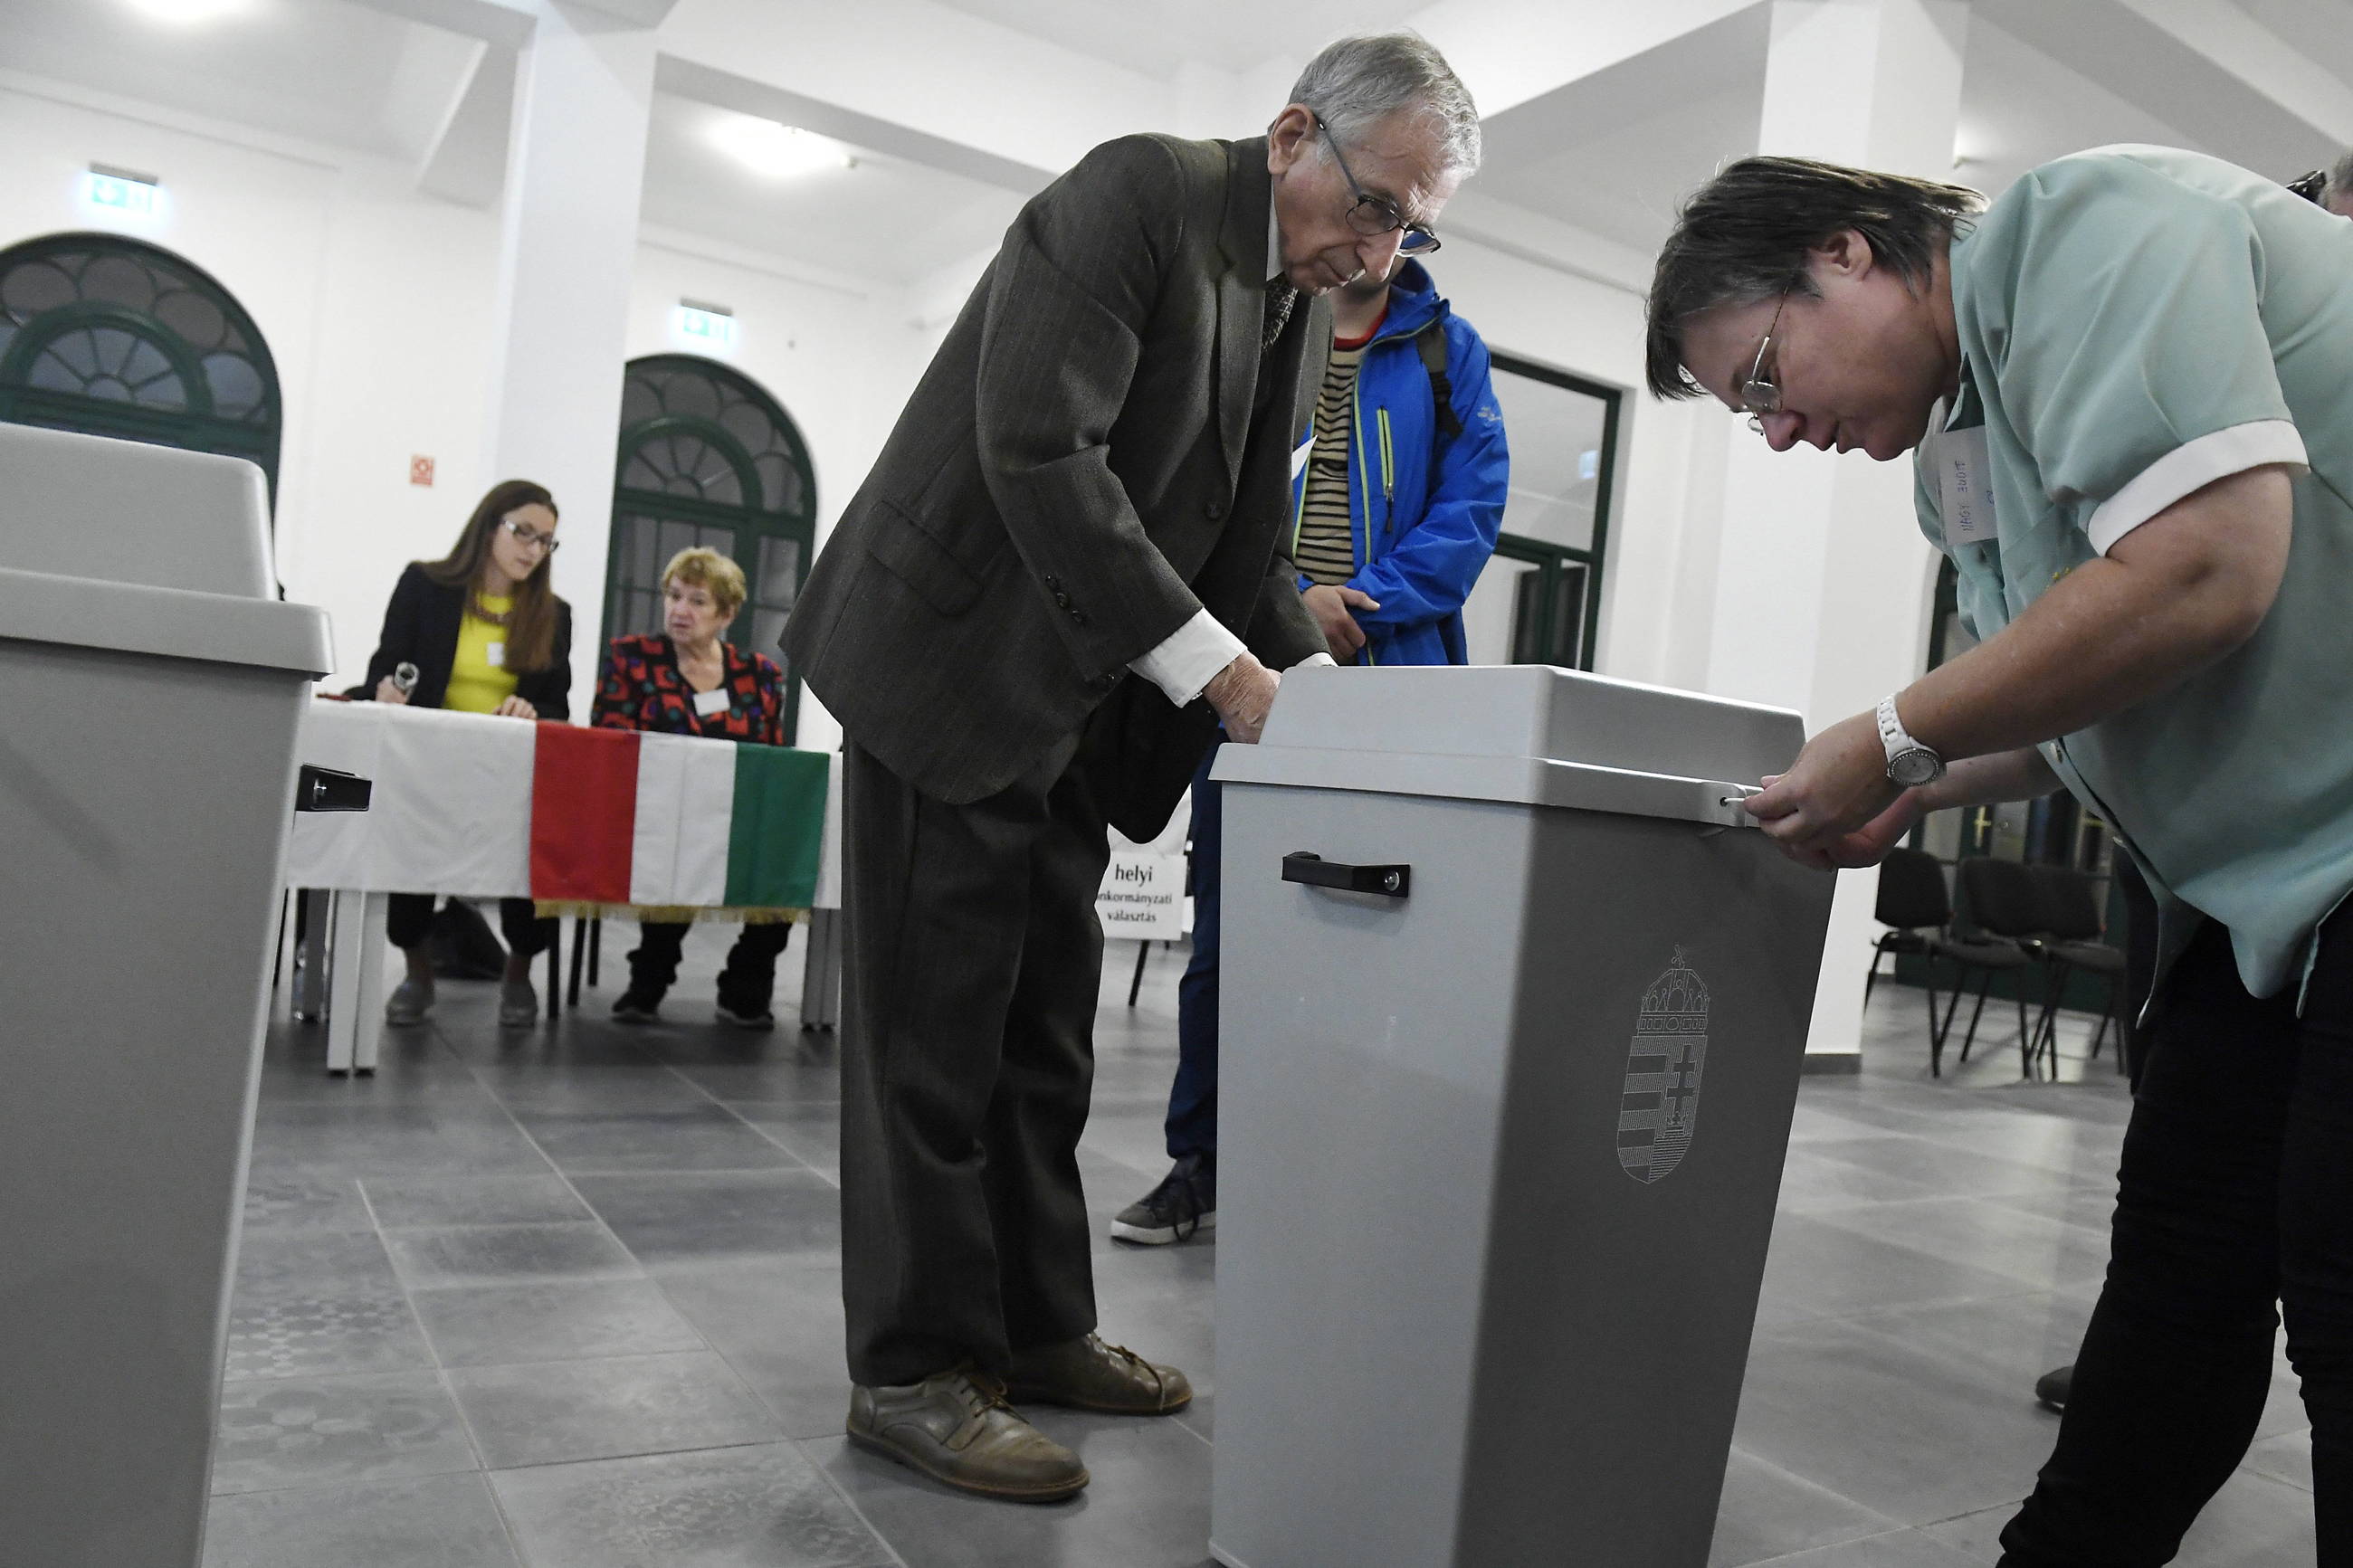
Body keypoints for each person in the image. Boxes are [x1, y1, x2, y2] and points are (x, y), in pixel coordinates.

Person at [781, 32, 1481, 1503]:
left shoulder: (1294, 294)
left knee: (1042, 1034)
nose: (1379, 253)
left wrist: (1325, 701)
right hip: (948, 664)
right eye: (1374, 206)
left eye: (1411, 231)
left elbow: (1242, 542)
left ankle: (1036, 1328)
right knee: (933, 1042)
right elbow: (1042, 449)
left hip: (1074, 705)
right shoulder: (1136, 196)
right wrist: (1220, 674)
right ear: (1292, 135)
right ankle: (914, 1368)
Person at [1646, 147, 2353, 1563]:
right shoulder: (1958, 451)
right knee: (2180, 1271)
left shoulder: (2093, 227)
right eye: (1749, 415)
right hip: (2266, 892)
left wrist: (1891, 734)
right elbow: (2078, 690)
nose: (1778, 432)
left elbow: (2208, 565)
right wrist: (1912, 784)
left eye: (1766, 377)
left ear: (1847, 251)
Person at [1111, 254, 1508, 1245]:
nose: (1370, 244)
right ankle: (1200, 1163)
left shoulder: (1445, 352)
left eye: (1397, 222)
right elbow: (1204, 497)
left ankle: (1365, 1162)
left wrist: (1357, 606)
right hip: (1247, 677)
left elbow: (1470, 513)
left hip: (1394, 682)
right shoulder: (1260, 331)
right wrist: (1291, 607)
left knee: (1396, 932)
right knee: (1229, 931)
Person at [364, 479, 572, 1030]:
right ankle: (417, 971)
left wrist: (532, 708)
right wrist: (387, 688)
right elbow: (386, 666)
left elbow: (557, 704)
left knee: (531, 857)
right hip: (428, 761)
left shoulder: (553, 613)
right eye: (523, 532)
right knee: (411, 860)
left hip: (508, 772)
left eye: (546, 540)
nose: (533, 549)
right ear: (489, 526)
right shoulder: (425, 585)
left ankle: (518, 973)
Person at [593, 546, 794, 1029]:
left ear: (727, 614)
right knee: (679, 849)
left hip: (737, 818)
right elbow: (608, 740)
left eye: (697, 601)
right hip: (658, 814)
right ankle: (650, 977)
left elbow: (772, 758)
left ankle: (746, 982)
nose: (680, 610)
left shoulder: (760, 676)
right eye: (674, 596)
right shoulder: (633, 660)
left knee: (788, 863)